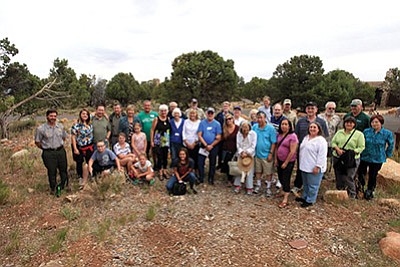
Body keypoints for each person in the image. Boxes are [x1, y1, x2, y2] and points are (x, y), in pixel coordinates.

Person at [292, 102, 328, 195]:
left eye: (312, 108)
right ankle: (298, 185)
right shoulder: (300, 121)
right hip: (303, 150)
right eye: (308, 108)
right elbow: (296, 136)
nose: (310, 110)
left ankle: (312, 190)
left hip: (315, 151)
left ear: (316, 110)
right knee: (301, 169)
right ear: (306, 110)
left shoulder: (322, 122)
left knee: (314, 170)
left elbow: (325, 136)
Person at [358, 114, 394, 200]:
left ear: (381, 123)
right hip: (365, 156)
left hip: (377, 157)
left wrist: (387, 154)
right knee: (361, 173)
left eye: (376, 122)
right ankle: (360, 188)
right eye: (373, 122)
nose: (374, 124)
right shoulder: (366, 131)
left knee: (373, 175)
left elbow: (391, 144)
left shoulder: (387, 133)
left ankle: (370, 191)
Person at [35, 109, 69, 196]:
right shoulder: (41, 129)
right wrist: (45, 148)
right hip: (48, 152)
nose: (53, 118)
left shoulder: (60, 127)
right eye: (51, 116)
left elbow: (64, 137)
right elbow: (37, 142)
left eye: (54, 116)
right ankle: (53, 188)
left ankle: (63, 185)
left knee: (63, 169)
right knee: (51, 171)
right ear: (47, 117)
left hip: (60, 151)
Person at [331, 116, 365, 199]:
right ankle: (340, 192)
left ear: (354, 124)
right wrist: (337, 149)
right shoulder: (339, 132)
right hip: (339, 156)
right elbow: (333, 142)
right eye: (347, 122)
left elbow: (361, 147)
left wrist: (352, 152)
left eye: (351, 123)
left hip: (351, 158)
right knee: (339, 175)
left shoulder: (359, 134)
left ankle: (352, 194)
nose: (349, 124)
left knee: (349, 176)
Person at [296, 122, 327, 207]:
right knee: (306, 184)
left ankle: (310, 200)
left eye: (314, 127)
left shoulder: (321, 140)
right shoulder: (306, 137)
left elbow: (322, 155)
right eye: (311, 127)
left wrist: (318, 166)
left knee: (313, 185)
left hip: (314, 167)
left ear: (318, 129)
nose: (312, 129)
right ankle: (305, 196)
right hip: (304, 165)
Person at [274, 118, 298, 208]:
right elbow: (277, 147)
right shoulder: (279, 134)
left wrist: (286, 162)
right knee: (280, 176)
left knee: (286, 178)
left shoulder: (293, 136)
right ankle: (282, 191)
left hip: (288, 161)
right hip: (279, 159)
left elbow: (292, 151)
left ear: (289, 126)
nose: (284, 126)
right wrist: (276, 159)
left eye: (286, 124)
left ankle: (285, 198)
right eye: (282, 124)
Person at [252, 111, 277, 196]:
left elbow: (273, 142)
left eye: (261, 118)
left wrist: (271, 153)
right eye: (258, 118)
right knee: (258, 171)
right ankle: (258, 185)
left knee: (268, 172)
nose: (259, 120)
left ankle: (268, 187)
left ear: (265, 118)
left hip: (266, 154)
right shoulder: (254, 127)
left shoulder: (270, 128)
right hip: (257, 154)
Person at [197, 107, 222, 185]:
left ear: (214, 114)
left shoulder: (217, 124)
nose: (210, 115)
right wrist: (205, 145)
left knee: (213, 163)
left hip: (213, 146)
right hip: (203, 145)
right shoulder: (202, 123)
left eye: (212, 113)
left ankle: (211, 178)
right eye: (209, 113)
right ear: (206, 114)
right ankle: (201, 178)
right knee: (200, 162)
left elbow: (219, 137)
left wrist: (211, 145)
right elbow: (199, 135)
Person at [233, 121, 257, 194]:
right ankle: (237, 185)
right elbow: (238, 145)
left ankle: (249, 187)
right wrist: (241, 152)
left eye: (246, 126)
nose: (245, 128)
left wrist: (246, 152)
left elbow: (253, 145)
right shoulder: (239, 134)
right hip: (241, 154)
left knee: (249, 170)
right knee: (239, 169)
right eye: (243, 127)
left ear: (249, 127)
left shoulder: (253, 134)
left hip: (250, 154)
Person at [71, 108, 94, 183]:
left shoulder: (90, 124)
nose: (85, 115)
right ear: (80, 115)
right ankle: (80, 177)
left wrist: (105, 115)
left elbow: (96, 113)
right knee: (79, 162)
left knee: (89, 161)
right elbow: (73, 137)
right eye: (83, 114)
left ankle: (90, 175)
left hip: (89, 146)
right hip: (80, 147)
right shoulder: (76, 126)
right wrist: (75, 149)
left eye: (86, 114)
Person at [318, 101, 341, 170]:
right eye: (329, 108)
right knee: (321, 157)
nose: (331, 110)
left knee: (330, 159)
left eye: (333, 109)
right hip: (321, 141)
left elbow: (338, 131)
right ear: (326, 108)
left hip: (331, 142)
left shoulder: (337, 119)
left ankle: (328, 172)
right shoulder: (319, 117)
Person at [150, 104, 171, 180]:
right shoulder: (156, 119)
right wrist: (152, 141)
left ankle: (165, 170)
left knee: (165, 156)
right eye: (162, 111)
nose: (163, 112)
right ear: (159, 111)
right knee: (159, 156)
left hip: (166, 141)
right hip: (158, 140)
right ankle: (160, 172)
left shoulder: (168, 119)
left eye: (165, 111)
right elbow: (152, 130)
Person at [220, 113, 239, 185]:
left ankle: (233, 177)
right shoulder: (224, 128)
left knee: (234, 163)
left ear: (233, 119)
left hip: (234, 148)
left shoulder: (237, 128)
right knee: (227, 164)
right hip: (225, 148)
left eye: (230, 118)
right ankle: (229, 179)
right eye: (227, 119)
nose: (228, 120)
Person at [182, 109, 201, 173]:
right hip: (186, 143)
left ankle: (196, 171)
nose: (192, 115)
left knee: (195, 158)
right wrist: (186, 142)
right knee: (187, 158)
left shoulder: (199, 122)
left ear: (196, 114)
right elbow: (183, 131)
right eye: (191, 113)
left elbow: (200, 133)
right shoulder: (186, 121)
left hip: (195, 143)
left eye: (194, 113)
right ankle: (187, 171)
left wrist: (194, 143)